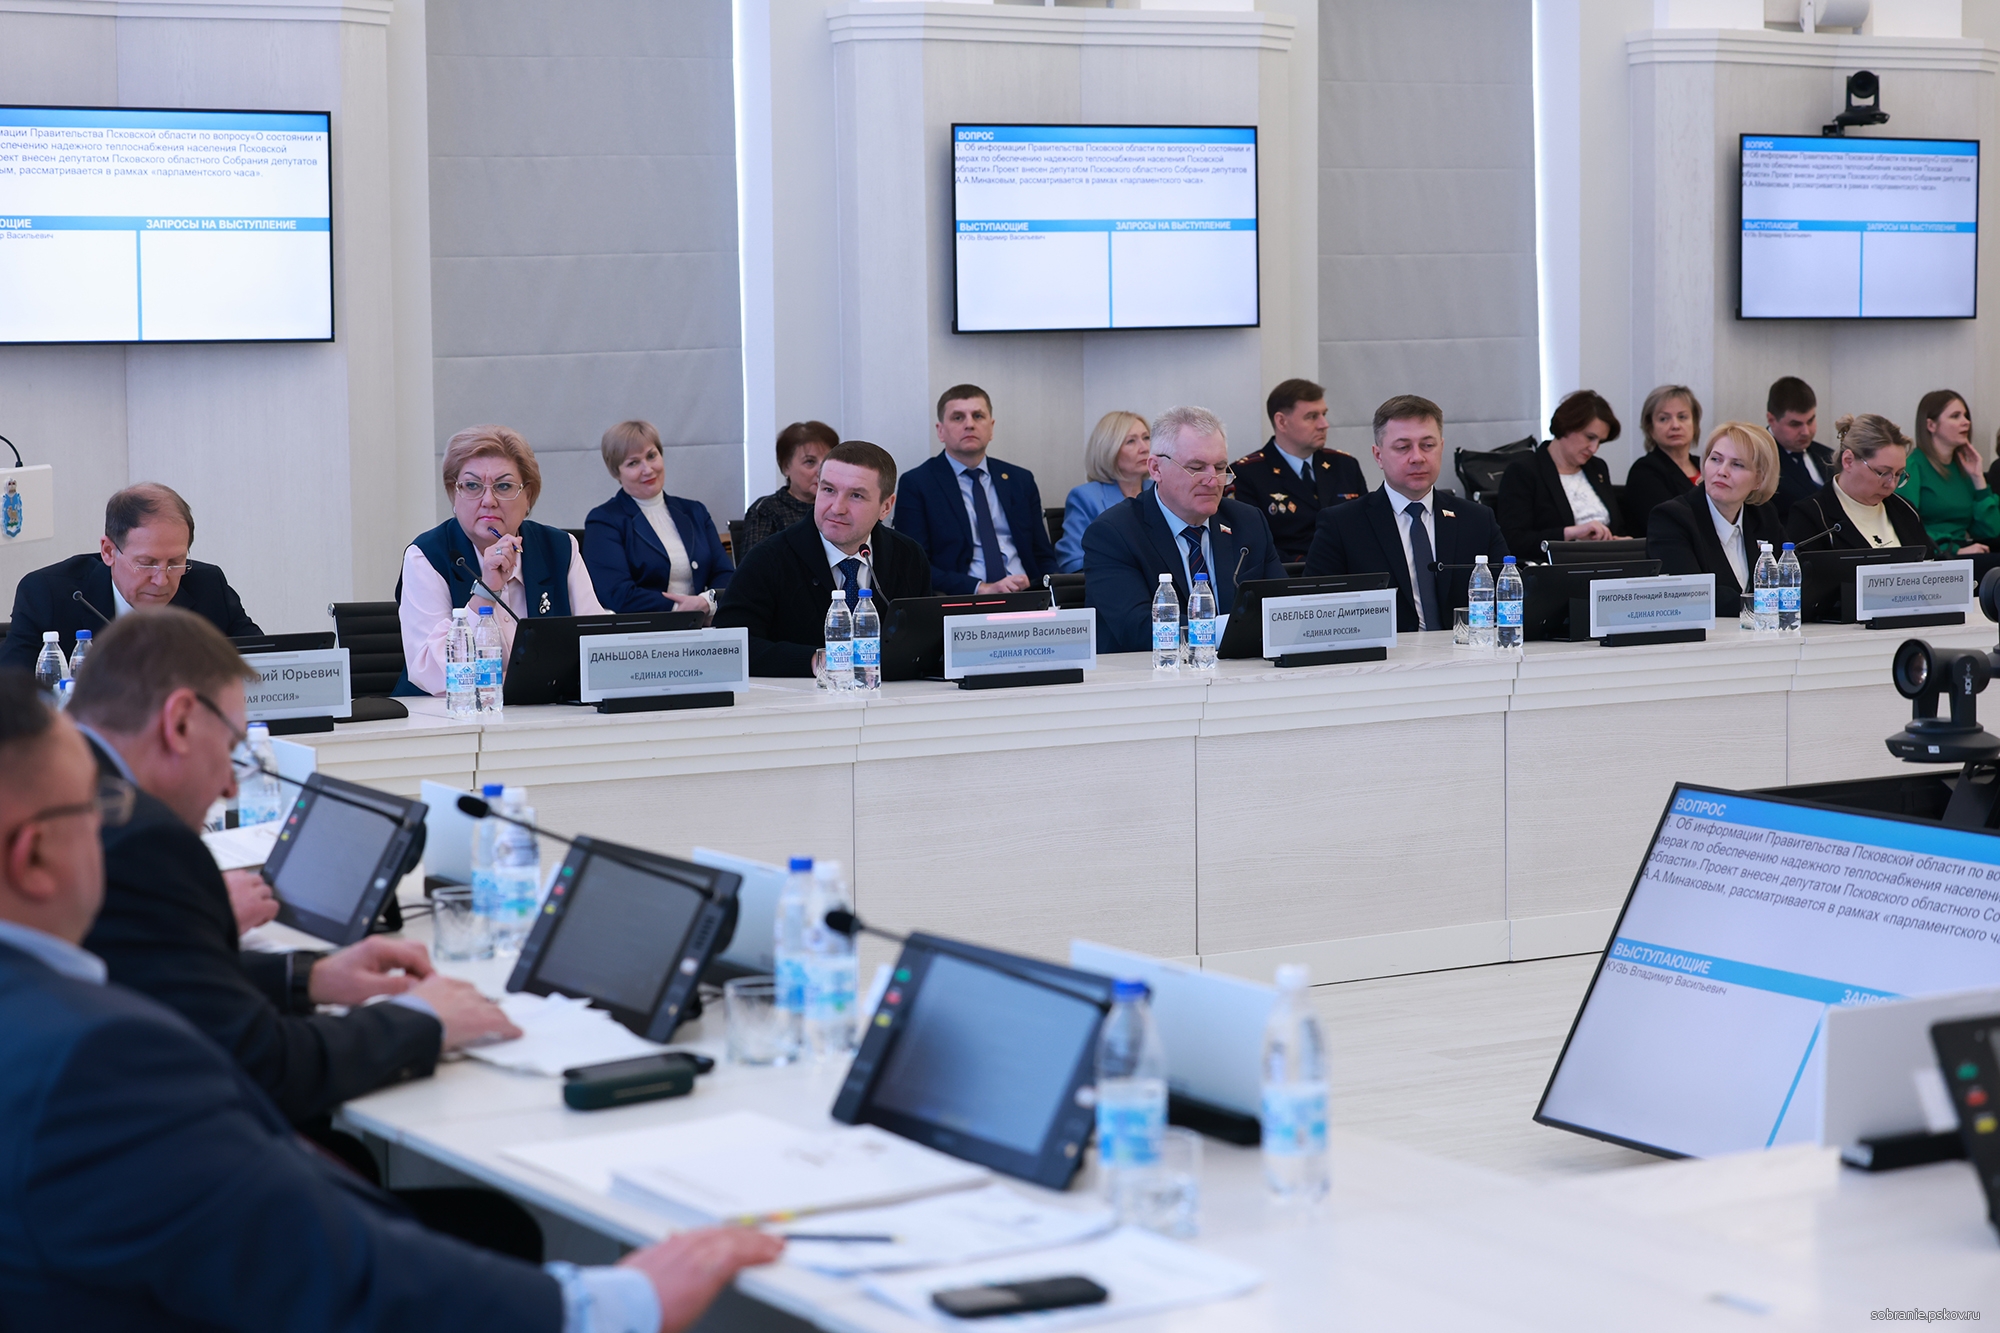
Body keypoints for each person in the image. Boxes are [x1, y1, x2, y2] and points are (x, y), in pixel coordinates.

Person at [0, 670, 782, 1330]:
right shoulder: (97, 1057)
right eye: (97, 811)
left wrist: (305, 978)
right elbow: (332, 1276)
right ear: (36, 857)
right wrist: (615, 1302)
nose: (113, 828)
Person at [68, 608, 522, 1130]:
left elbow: (148, 977)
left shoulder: (69, 789)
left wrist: (307, 977)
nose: (230, 787)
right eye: (232, 750)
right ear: (180, 723)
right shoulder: (140, 836)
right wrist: (423, 1019)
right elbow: (267, 1064)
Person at [396, 425, 607, 696]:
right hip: (443, 716)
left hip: (545, 714)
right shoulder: (426, 556)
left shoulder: (560, 548)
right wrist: (487, 591)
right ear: (453, 493)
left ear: (528, 495)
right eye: (472, 486)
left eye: (504, 486)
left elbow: (599, 647)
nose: (488, 500)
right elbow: (431, 672)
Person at [714, 441, 933, 676]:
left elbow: (925, 641)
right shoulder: (768, 559)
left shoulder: (908, 556)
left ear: (886, 507)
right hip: (797, 695)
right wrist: (816, 660)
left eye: (856, 495)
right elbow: (728, 646)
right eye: (828, 490)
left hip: (890, 695)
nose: (837, 508)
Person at [1082, 406, 1284, 654]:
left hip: (1241, 671)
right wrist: (1226, 630)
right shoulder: (1114, 533)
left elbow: (1281, 610)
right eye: (1196, 468)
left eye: (1220, 467)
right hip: (1154, 672)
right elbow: (1139, 629)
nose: (1212, 480)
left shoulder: (1247, 522)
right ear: (1156, 469)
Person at [1, 483, 260, 672]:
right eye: (147, 564)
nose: (161, 580)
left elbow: (267, 664)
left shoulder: (208, 586)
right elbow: (12, 697)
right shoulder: (47, 594)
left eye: (175, 563)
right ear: (108, 551)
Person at [1303, 395, 1509, 633]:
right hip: (1386, 652)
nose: (1417, 457)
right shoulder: (1342, 525)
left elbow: (1509, 598)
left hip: (1465, 649)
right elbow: (1315, 614)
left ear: (1441, 448)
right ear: (1378, 455)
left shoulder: (1477, 519)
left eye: (1428, 445)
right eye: (1403, 447)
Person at [893, 384, 1059, 594]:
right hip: (962, 600)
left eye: (978, 416)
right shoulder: (918, 484)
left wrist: (1047, 588)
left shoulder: (1020, 480)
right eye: (958, 417)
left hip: (1026, 595)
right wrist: (980, 588)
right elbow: (915, 566)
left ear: (991, 427)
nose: (969, 424)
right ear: (940, 431)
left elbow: (1043, 556)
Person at [581, 420, 734, 619]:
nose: (647, 469)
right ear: (616, 472)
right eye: (633, 463)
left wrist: (706, 602)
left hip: (704, 626)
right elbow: (616, 594)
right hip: (644, 631)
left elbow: (725, 574)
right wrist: (681, 609)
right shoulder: (604, 521)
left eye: (651, 456)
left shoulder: (695, 511)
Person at [1646, 422, 1787, 619]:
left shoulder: (1763, 514)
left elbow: (1790, 579)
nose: (1722, 471)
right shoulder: (1671, 518)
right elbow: (1693, 595)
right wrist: (1768, 603)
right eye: (1715, 459)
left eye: (1737, 464)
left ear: (1759, 479)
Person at [1225, 378, 1367, 564]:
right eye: (1312, 416)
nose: (1324, 424)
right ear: (1282, 422)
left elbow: (1366, 528)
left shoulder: (1344, 466)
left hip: (1350, 573)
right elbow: (1250, 543)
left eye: (1323, 414)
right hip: (1289, 575)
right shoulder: (1247, 474)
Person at [1494, 389, 1625, 559]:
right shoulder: (1524, 472)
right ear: (1566, 426)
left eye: (1600, 441)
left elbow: (1616, 524)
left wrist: (1620, 542)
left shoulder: (1597, 468)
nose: (1594, 448)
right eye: (1589, 437)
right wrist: (1570, 533)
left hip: (1604, 562)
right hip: (1556, 567)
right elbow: (1514, 540)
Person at [1784, 414, 1932, 556]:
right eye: (1882, 472)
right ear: (1848, 461)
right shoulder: (1811, 516)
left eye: (1898, 474)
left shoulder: (1905, 510)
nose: (1891, 485)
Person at [1898, 389, 2000, 557]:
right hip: (1931, 553)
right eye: (1955, 416)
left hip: (1964, 549)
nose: (1966, 422)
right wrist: (1954, 550)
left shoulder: (1963, 469)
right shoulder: (1912, 467)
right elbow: (1906, 526)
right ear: (1931, 425)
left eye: (1965, 416)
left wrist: (1978, 479)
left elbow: (1991, 530)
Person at [1056, 411, 1152, 574]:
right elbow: (1072, 562)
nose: (1144, 448)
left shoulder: (1161, 490)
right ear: (1108, 450)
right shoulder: (1085, 497)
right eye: (1131, 441)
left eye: (1146, 438)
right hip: (1114, 583)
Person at [741, 421, 837, 555]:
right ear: (786, 466)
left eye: (828, 461)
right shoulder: (767, 510)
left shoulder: (840, 507)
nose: (822, 471)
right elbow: (754, 565)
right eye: (810, 462)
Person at [1623, 385, 1704, 537]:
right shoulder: (1645, 471)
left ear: (1694, 423)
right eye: (1664, 419)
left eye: (1682, 417)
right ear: (1650, 428)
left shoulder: (1706, 465)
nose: (1675, 425)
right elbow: (1666, 525)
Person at [1766, 376, 1836, 520]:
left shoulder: (1830, 456)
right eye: (1795, 424)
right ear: (1772, 420)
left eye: (1810, 421)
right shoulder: (1757, 460)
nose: (1806, 432)